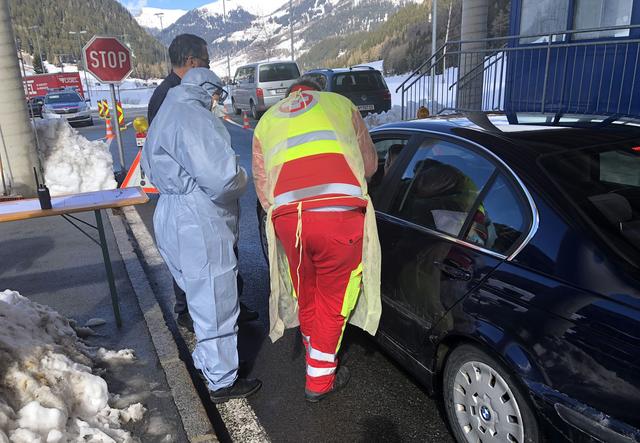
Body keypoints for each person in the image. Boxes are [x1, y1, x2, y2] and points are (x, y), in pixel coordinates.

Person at [252, 77, 382, 402]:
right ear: (316, 90)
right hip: (337, 216)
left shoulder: (267, 121)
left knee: (306, 287)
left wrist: (284, 212)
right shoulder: (340, 105)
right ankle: (320, 380)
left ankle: (313, 346)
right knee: (335, 297)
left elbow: (262, 185)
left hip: (288, 220)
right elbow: (369, 166)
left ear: (288, 97)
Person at [142, 68, 261, 402]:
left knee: (198, 295)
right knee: (215, 296)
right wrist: (241, 176)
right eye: (217, 96)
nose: (217, 103)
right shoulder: (194, 116)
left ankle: (209, 363)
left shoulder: (166, 109)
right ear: (208, 90)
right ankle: (222, 380)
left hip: (169, 210)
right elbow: (221, 180)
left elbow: (149, 167)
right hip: (197, 217)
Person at [147, 33, 257, 331]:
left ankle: (220, 315)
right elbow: (216, 176)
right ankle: (218, 367)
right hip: (198, 210)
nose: (216, 101)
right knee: (208, 288)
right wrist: (239, 176)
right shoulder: (180, 103)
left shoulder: (176, 98)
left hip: (190, 208)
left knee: (210, 286)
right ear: (193, 62)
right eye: (207, 62)